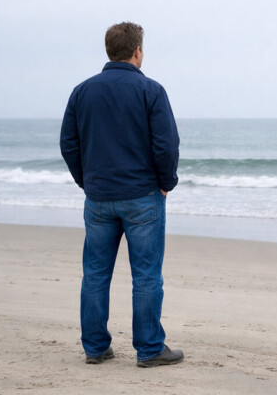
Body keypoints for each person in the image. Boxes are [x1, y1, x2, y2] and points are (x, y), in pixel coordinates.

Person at [60, 22, 183, 368]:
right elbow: (167, 145)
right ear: (137, 51)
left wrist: (87, 180)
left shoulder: (82, 91)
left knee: (96, 273)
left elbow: (68, 143)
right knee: (146, 274)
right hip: (142, 196)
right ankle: (149, 349)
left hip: (98, 197)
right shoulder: (151, 90)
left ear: (109, 51)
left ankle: (96, 347)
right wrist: (166, 183)